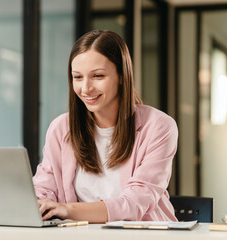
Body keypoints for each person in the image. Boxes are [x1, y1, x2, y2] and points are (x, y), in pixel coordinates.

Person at [33, 30, 178, 223]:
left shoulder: (158, 126)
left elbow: (134, 204)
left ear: (121, 76)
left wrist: (67, 210)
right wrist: (36, 203)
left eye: (98, 76)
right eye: (77, 77)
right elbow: (43, 189)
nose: (85, 88)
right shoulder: (61, 128)